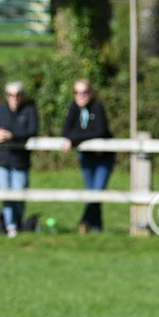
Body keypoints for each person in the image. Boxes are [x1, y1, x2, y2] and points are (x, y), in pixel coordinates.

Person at [0, 81, 39, 238]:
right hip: (2, 160)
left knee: (18, 193)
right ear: (6, 96)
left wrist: (10, 135)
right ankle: (10, 226)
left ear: (22, 96)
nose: (14, 98)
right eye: (11, 95)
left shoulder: (29, 110)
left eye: (17, 95)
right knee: (6, 193)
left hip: (20, 161)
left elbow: (32, 130)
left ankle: (18, 222)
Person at [60, 79, 114, 234]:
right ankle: (97, 228)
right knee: (91, 192)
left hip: (103, 157)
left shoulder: (97, 107)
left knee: (96, 192)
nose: (80, 96)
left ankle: (84, 222)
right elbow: (66, 130)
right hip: (86, 157)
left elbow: (99, 131)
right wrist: (74, 137)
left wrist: (75, 138)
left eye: (84, 92)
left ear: (91, 93)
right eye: (77, 92)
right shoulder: (74, 108)